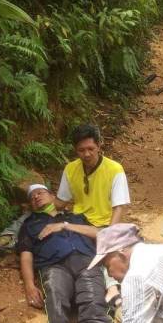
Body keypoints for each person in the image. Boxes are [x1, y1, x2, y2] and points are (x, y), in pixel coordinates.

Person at [17, 184, 115, 323]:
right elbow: (26, 255)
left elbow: (99, 234)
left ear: (53, 196)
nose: (36, 197)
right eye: (32, 197)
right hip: (53, 266)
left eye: (40, 192)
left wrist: (65, 225)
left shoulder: (77, 217)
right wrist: (29, 284)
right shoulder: (29, 225)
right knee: (55, 303)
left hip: (86, 263)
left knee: (94, 308)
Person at [56, 124, 130, 300]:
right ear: (75, 150)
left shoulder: (114, 170)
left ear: (99, 146)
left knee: (105, 252)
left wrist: (110, 234)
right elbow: (61, 202)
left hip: (104, 224)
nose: (87, 154)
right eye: (81, 150)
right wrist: (42, 201)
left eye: (91, 148)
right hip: (79, 222)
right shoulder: (70, 169)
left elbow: (119, 207)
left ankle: (112, 289)